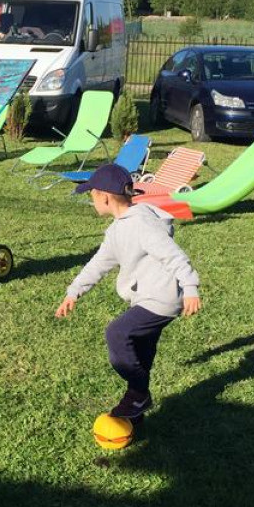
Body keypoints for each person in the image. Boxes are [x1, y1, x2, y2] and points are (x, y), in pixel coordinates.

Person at [55, 163, 202, 425]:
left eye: (91, 195)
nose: (91, 200)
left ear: (105, 198)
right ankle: (135, 411)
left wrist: (190, 287)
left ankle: (139, 394)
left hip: (161, 299)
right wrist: (74, 291)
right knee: (141, 354)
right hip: (146, 297)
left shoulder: (142, 224)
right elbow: (100, 262)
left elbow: (173, 255)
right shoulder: (118, 228)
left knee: (118, 333)